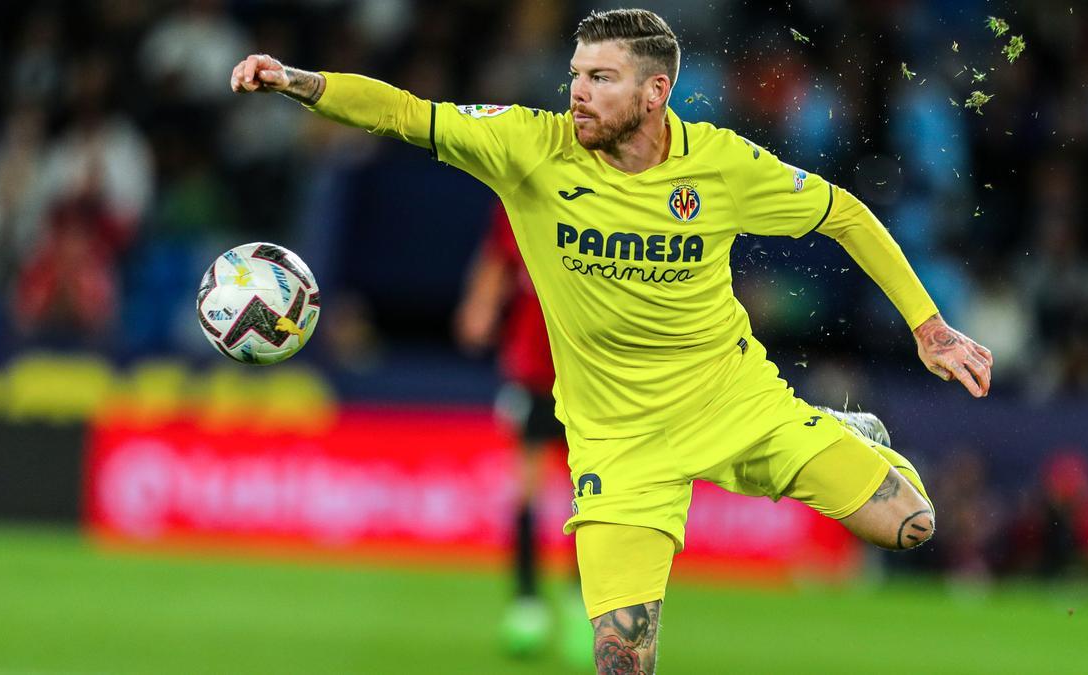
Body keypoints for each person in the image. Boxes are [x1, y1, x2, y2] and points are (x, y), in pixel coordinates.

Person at [230, 9, 993, 673]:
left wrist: (928, 327)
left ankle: (832, 427)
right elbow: (402, 112)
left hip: (739, 403)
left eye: (600, 77)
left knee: (911, 524)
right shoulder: (529, 147)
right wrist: (296, 79)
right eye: (576, 74)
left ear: (654, 93)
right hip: (620, 450)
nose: (578, 92)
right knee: (623, 665)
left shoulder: (720, 164)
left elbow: (846, 214)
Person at [455, 199, 589, 662]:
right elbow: (499, 257)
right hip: (533, 368)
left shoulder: (608, 194)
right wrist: (480, 304)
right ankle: (527, 605)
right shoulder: (524, 194)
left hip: (593, 374)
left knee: (590, 494)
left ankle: (581, 605)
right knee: (529, 488)